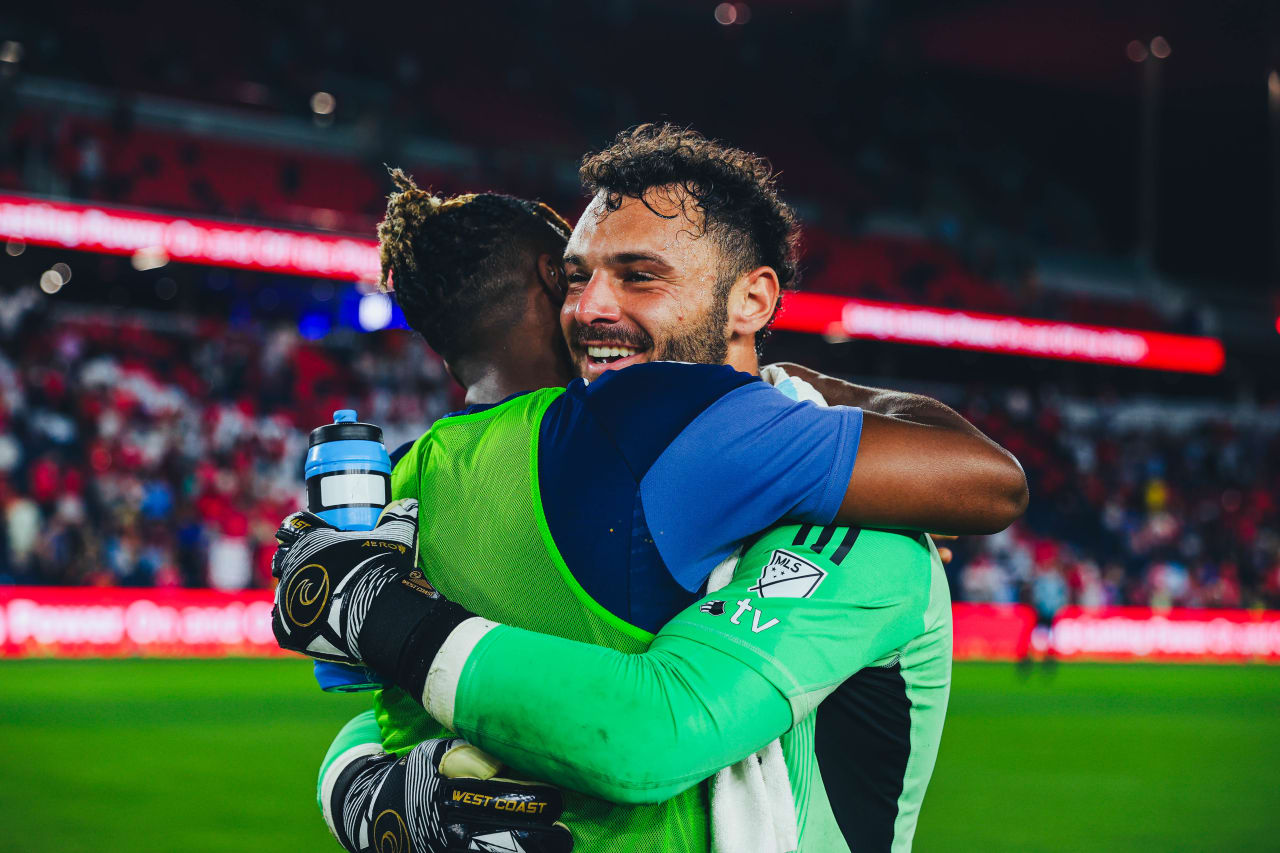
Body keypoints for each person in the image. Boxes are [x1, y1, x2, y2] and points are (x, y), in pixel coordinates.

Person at [276, 125, 1027, 852]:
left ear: (752, 300)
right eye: (576, 277)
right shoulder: (626, 442)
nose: (591, 306)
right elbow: (407, 711)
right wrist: (363, 782)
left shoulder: (840, 508)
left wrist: (357, 760)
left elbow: (648, 732)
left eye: (639, 276)